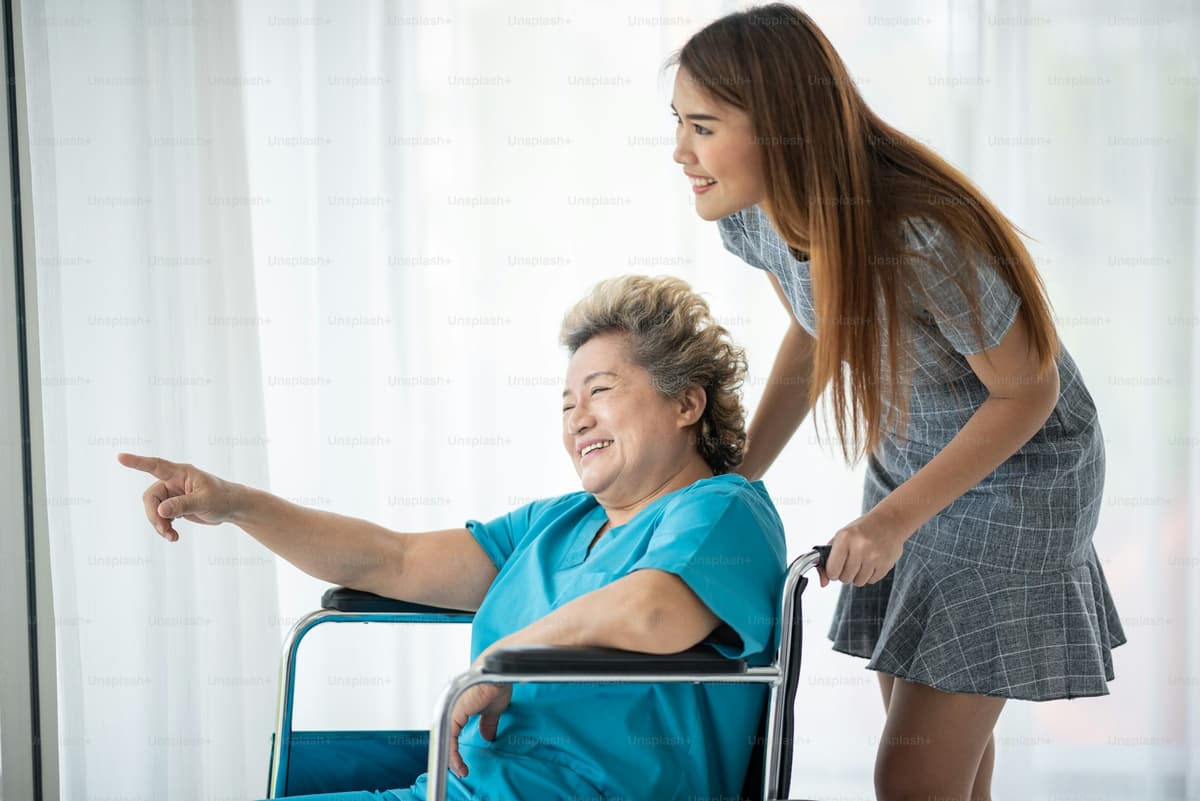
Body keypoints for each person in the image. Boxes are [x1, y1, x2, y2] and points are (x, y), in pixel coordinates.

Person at [666, 4, 1125, 801]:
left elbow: (1028, 390)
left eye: (702, 127)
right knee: (940, 762)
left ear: (779, 128)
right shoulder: (754, 216)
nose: (680, 153)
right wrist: (734, 476)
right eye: (678, 123)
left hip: (1021, 478)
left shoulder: (921, 234)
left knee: (910, 777)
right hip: (914, 455)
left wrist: (888, 522)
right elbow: (813, 337)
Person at [119, 275, 787, 801]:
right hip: (477, 774)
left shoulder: (723, 508)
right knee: (265, 759)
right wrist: (236, 503)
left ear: (685, 402)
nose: (577, 418)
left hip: (581, 787)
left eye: (601, 390)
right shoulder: (557, 521)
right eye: (565, 403)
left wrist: (503, 654)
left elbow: (653, 608)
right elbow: (393, 558)